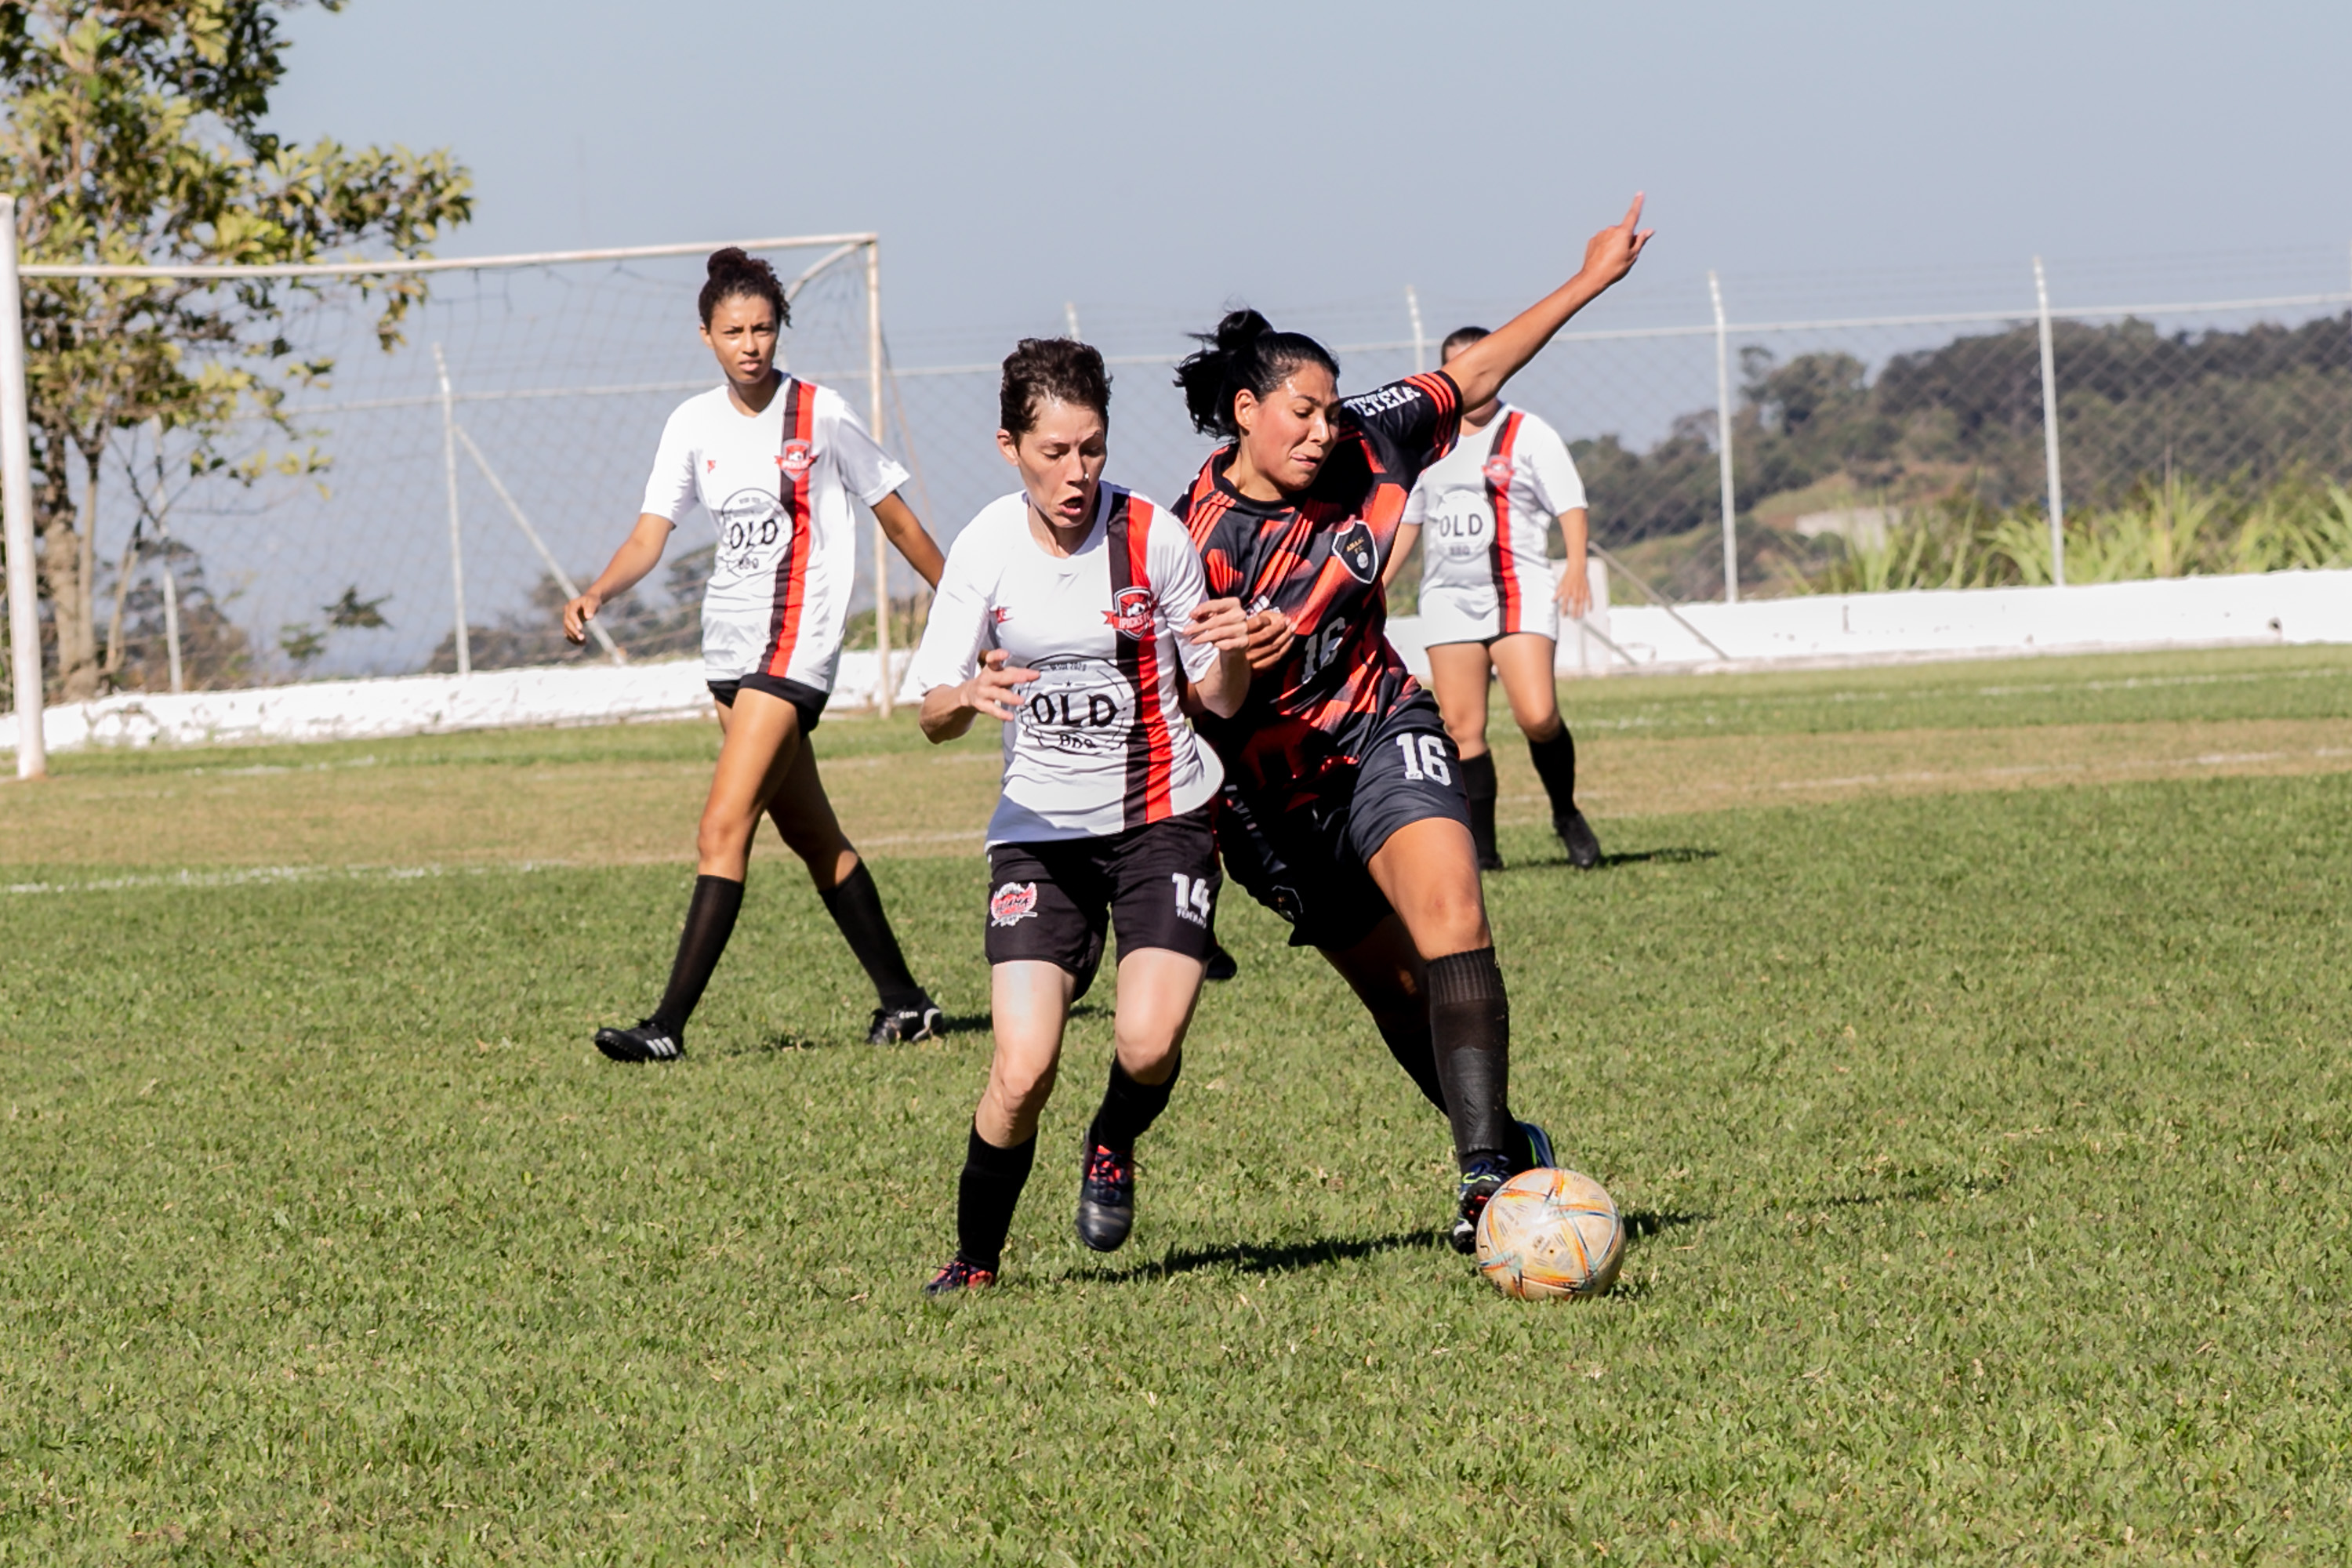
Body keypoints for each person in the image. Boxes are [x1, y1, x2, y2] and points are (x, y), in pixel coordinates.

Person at [1171, 198, 1651, 1251]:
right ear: (1246, 411)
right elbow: (1193, 712)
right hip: (1273, 803)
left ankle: (1483, 1183)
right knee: (1397, 996)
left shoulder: (1370, 437)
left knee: (1454, 919)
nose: (1323, 430)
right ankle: (1509, 1142)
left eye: (1330, 409)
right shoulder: (1190, 542)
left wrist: (1590, 279)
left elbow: (1472, 375)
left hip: (1381, 727)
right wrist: (1236, 668)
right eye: (1300, 413)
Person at [909, 339, 1250, 1294]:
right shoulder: (985, 546)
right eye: (1054, 451)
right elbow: (931, 712)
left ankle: (1112, 1135)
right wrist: (964, 694)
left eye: (1091, 447)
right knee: (1021, 1069)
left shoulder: (1154, 538)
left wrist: (1231, 651)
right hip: (1039, 835)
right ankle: (976, 1261)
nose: (1077, 472)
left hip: (1161, 818)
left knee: (1147, 1043)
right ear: (1010, 446)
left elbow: (1219, 699)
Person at [564, 248, 950, 1061]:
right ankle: (907, 1001)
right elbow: (650, 535)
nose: (751, 345)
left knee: (721, 828)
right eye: (734, 331)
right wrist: (598, 591)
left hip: (795, 643)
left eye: (764, 328)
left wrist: (964, 604)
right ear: (706, 336)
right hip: (730, 650)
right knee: (815, 838)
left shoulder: (821, 413)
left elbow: (897, 518)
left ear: (780, 330)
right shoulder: (691, 424)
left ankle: (666, 1028)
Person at [1386, 326, 1602, 871]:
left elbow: (1569, 503)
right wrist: (1375, 586)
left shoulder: (1527, 433)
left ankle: (1565, 813)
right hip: (1448, 599)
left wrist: (1576, 566)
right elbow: (1408, 521)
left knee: (1538, 715)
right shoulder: (1425, 442)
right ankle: (1483, 852)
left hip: (1517, 592)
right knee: (1462, 729)